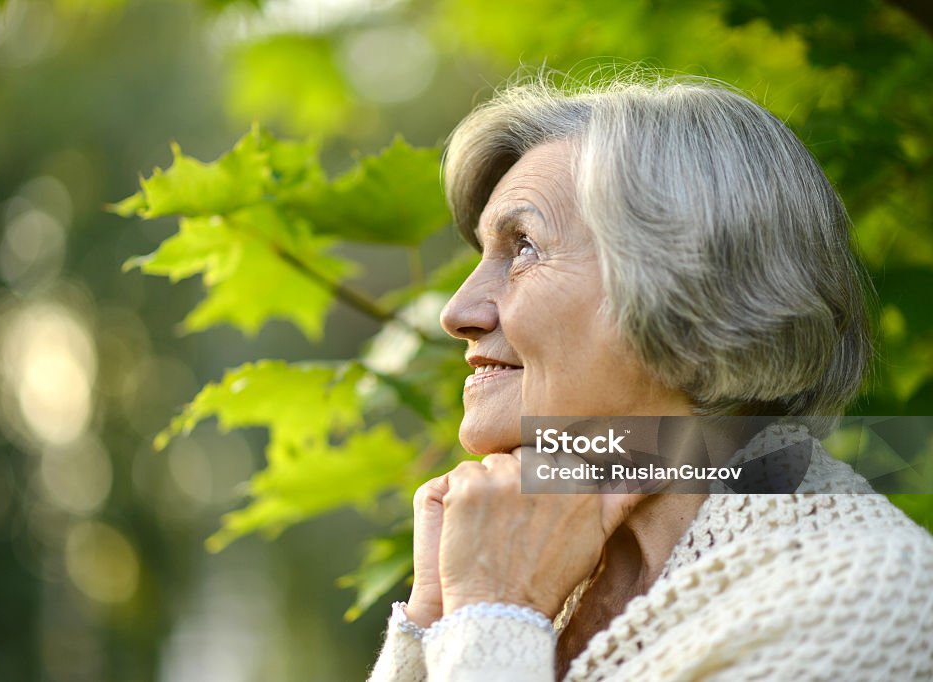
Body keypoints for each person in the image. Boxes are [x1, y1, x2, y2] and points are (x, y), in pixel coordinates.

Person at [366, 75, 933, 681]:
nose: (458, 313)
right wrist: (433, 624)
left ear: (697, 296)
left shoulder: (867, 596)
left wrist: (497, 613)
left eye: (524, 247)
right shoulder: (535, 559)